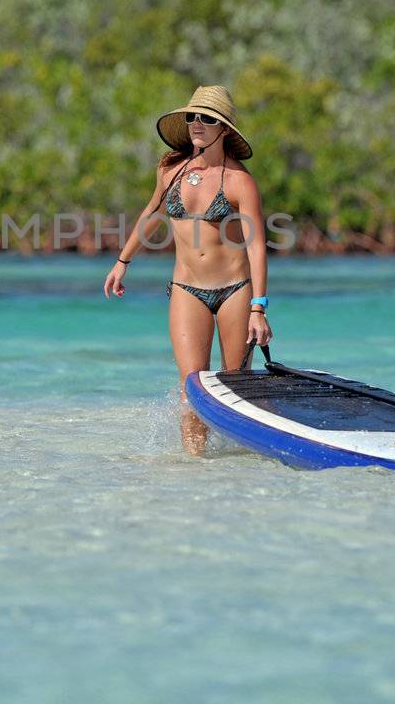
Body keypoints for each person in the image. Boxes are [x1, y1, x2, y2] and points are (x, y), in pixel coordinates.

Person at [103, 85, 271, 455]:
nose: (196, 123)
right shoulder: (170, 170)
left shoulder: (240, 181)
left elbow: (257, 245)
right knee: (191, 385)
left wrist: (258, 307)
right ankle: (194, 468)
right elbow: (151, 215)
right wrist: (122, 261)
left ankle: (245, 463)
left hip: (235, 291)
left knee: (235, 384)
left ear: (224, 129)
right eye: (192, 116)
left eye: (207, 119)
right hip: (186, 288)